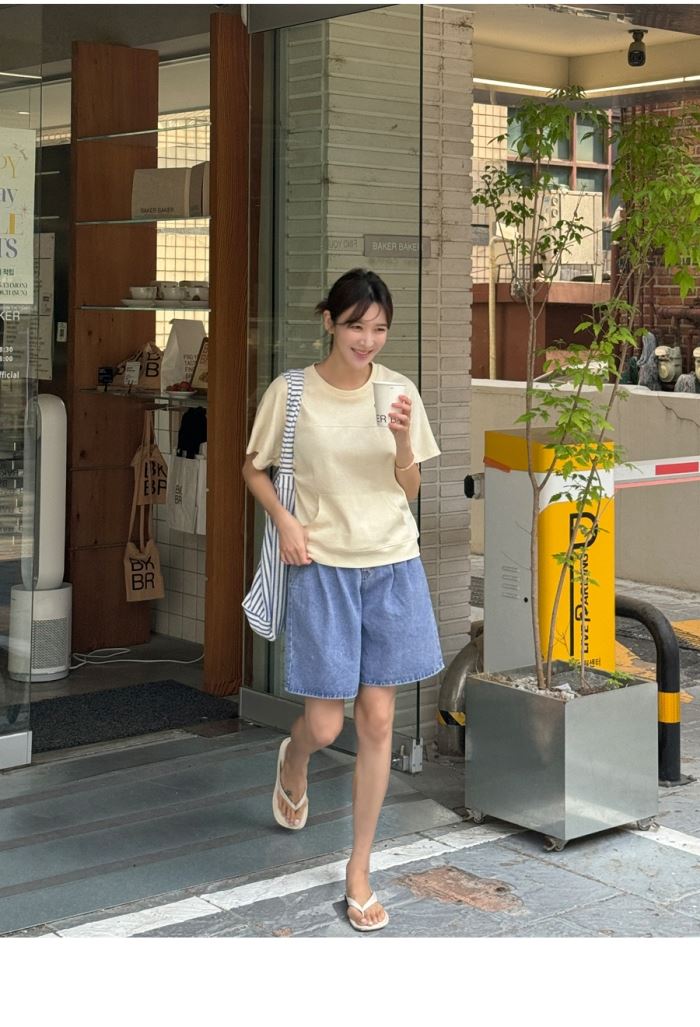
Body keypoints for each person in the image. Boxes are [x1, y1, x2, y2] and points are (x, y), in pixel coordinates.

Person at [242, 268, 443, 932]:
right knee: (326, 726)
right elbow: (253, 468)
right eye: (356, 325)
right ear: (329, 321)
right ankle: (294, 758)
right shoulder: (292, 391)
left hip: (391, 566)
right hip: (323, 567)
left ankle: (359, 870)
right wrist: (284, 519)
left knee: (378, 720)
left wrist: (403, 441)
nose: (367, 340)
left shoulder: (400, 391)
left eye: (379, 328)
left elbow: (410, 488)